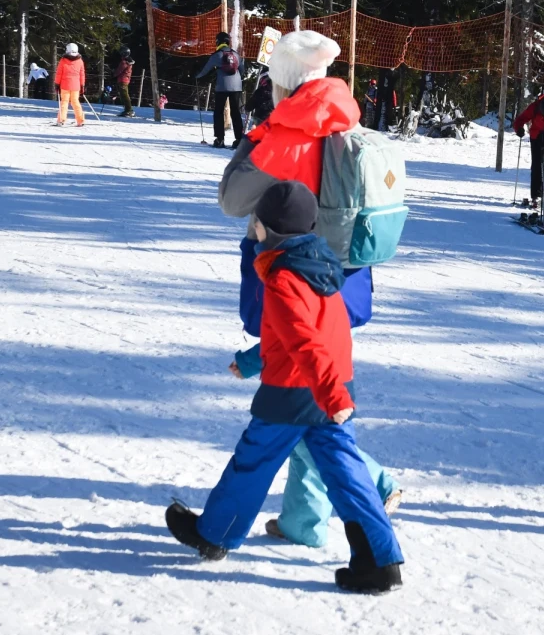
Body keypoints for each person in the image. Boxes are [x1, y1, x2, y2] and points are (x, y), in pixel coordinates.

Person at [167, 180, 405, 592]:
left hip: (296, 394)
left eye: (257, 223)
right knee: (348, 476)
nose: (254, 229)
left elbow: (302, 340)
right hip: (328, 387)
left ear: (271, 231)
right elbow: (292, 337)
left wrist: (330, 394)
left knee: (252, 463)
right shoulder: (320, 267)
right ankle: (380, 561)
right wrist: (251, 361)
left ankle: (215, 534)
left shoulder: (282, 279)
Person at [218, 30, 400, 549]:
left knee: (293, 395)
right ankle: (303, 520)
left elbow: (231, 199)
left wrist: (253, 141)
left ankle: (373, 481)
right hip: (345, 274)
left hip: (290, 276)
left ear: (283, 82)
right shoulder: (348, 120)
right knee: (307, 388)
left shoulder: (285, 133)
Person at [195, 31, 247, 148]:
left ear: (218, 42)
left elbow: (205, 70)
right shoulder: (236, 54)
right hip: (236, 87)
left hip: (222, 87)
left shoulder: (217, 55)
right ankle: (239, 139)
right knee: (236, 112)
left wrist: (197, 76)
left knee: (218, 112)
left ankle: (220, 139)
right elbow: (242, 70)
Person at [55, 43, 86, 127]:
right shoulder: (80, 61)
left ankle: (61, 120)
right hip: (76, 86)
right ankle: (80, 120)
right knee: (75, 102)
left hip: (65, 85)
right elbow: (82, 75)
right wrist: (82, 85)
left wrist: (57, 84)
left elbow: (59, 73)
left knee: (64, 102)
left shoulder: (63, 60)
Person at [114, 46, 135, 117]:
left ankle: (129, 110)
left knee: (124, 95)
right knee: (123, 95)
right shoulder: (128, 61)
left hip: (123, 80)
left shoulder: (124, 62)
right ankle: (127, 110)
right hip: (124, 80)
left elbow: (119, 71)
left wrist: (113, 74)